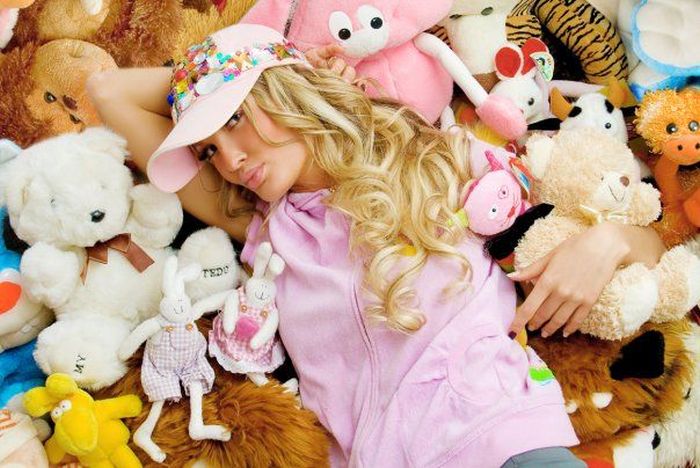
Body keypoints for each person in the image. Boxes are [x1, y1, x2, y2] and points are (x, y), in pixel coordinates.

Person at [88, 24, 666, 468]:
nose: (231, 160)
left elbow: (650, 245)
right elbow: (107, 91)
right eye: (209, 149)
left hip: (500, 437)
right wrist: (204, 80)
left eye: (236, 118)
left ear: (290, 91)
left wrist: (610, 240)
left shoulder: (438, 157)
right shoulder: (265, 227)